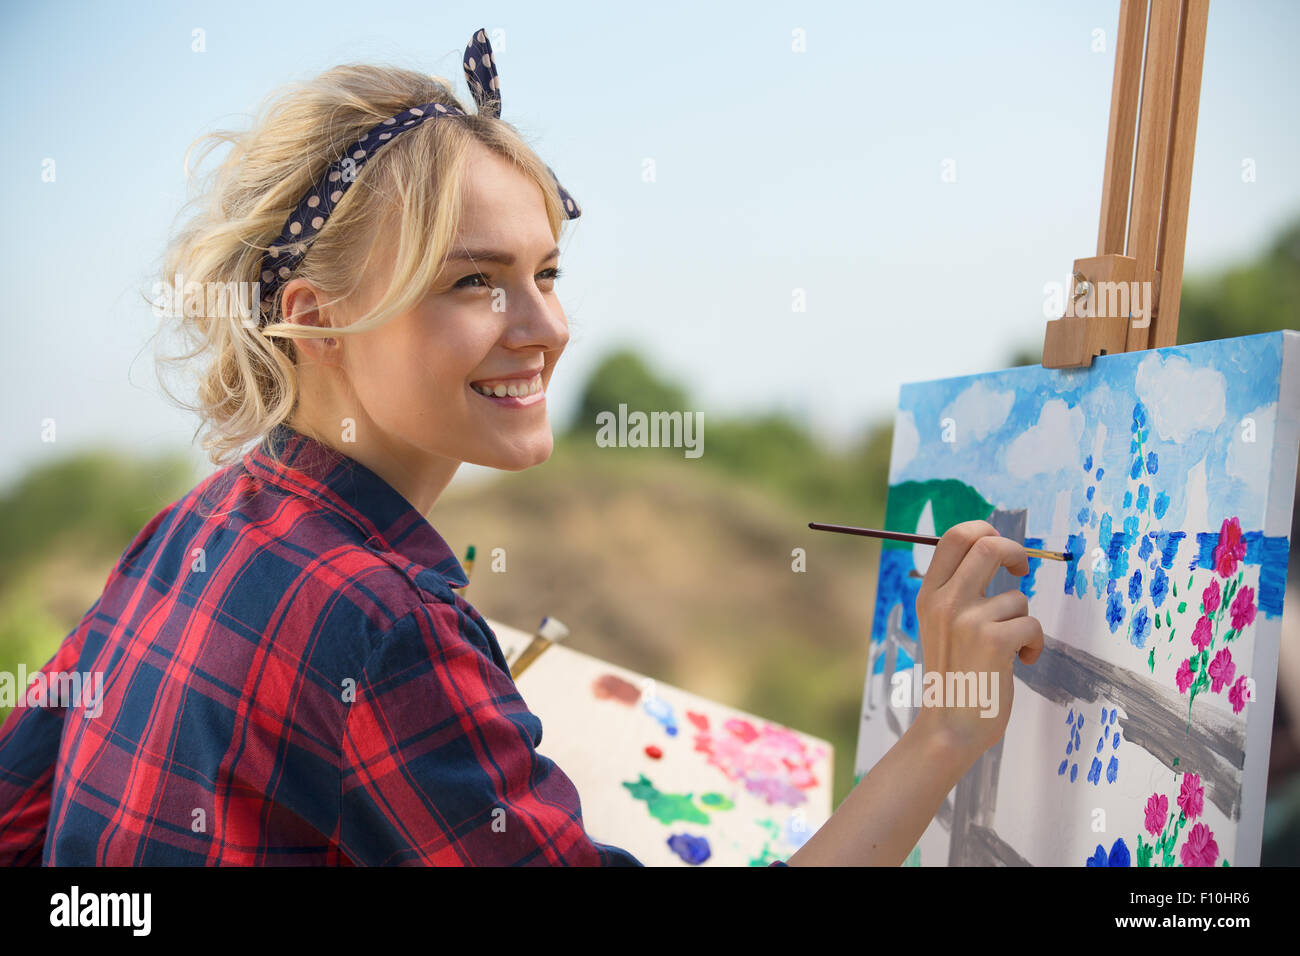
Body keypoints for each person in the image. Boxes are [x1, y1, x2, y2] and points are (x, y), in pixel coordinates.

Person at [0, 29, 1042, 866]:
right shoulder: (386, 621)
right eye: (471, 281)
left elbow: (18, 817)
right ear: (314, 321)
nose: (544, 327)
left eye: (546, 271)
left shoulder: (195, 523)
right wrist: (942, 734)